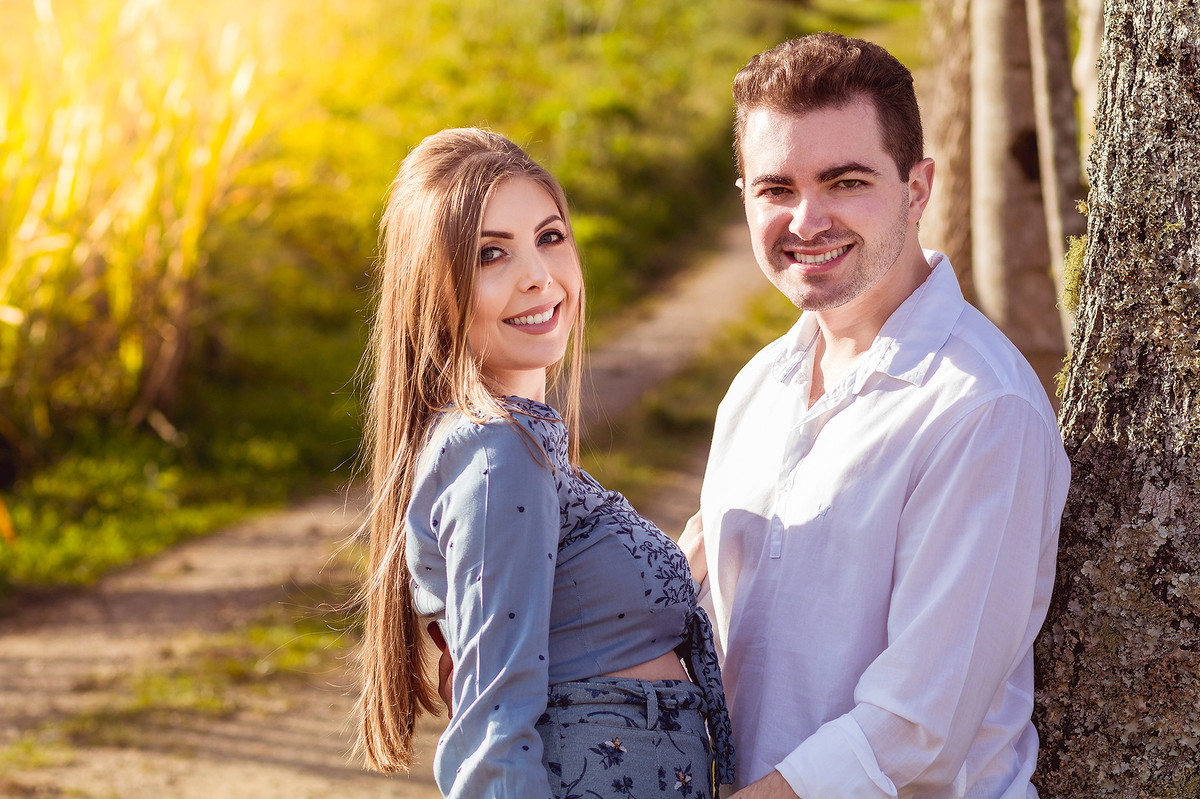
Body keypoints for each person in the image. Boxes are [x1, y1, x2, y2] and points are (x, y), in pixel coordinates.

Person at [681, 33, 1071, 798]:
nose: (806, 219)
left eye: (845, 181)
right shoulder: (756, 388)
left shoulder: (981, 409)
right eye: (776, 189)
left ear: (919, 187)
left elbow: (914, 731)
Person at [354, 128, 733, 799]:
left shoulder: (518, 446)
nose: (538, 274)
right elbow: (490, 731)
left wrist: (678, 562)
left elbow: (564, 622)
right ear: (433, 289)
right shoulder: (499, 452)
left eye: (550, 236)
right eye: (491, 254)